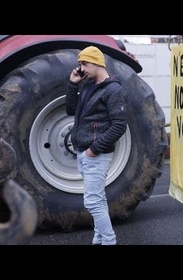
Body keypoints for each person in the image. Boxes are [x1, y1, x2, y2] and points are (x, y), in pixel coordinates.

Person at [66, 46, 128, 245]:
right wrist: (73, 84)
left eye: (84, 63)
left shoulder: (114, 90)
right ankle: (99, 237)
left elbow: (119, 126)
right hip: (83, 152)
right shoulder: (88, 86)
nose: (81, 68)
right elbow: (71, 110)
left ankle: (109, 241)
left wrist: (94, 149)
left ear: (97, 63)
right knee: (98, 199)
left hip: (96, 154)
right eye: (79, 64)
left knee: (92, 202)